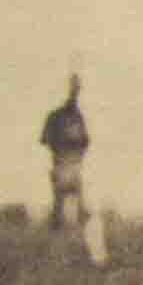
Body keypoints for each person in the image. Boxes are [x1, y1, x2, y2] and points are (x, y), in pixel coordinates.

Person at [40, 73, 91, 229]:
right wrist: (61, 146)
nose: (76, 94)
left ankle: (77, 223)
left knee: (75, 193)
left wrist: (78, 148)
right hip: (61, 162)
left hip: (73, 162)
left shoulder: (78, 116)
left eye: (77, 90)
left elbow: (85, 140)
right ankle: (57, 227)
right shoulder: (56, 116)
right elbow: (45, 138)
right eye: (74, 89)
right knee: (61, 197)